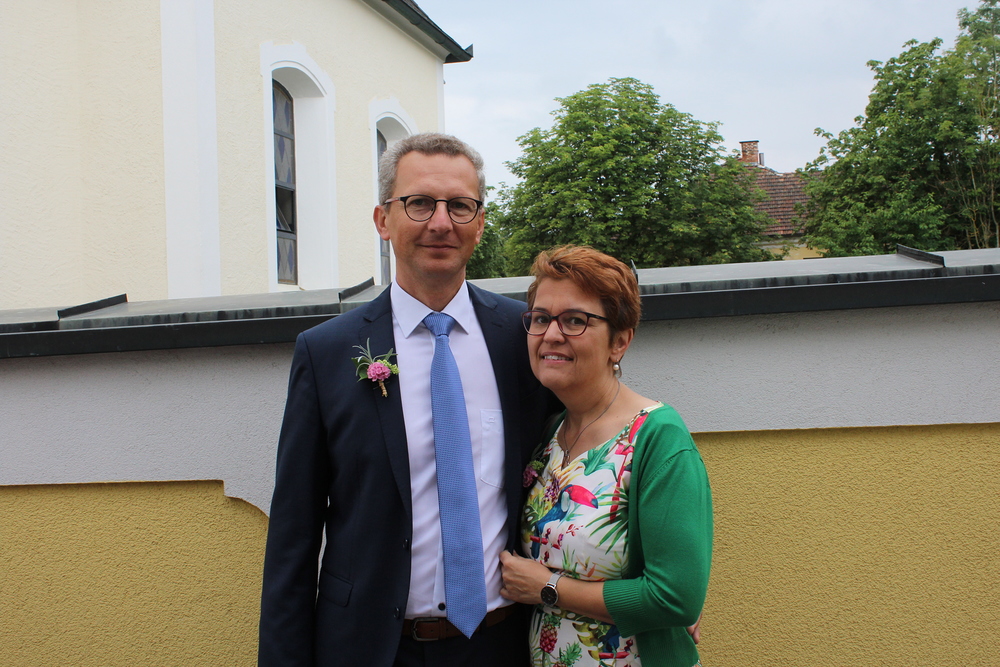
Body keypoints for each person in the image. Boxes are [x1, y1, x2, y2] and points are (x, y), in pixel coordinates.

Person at [258, 133, 559, 666]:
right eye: (419, 203)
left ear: (479, 224)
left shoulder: (526, 337)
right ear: (383, 220)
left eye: (460, 206)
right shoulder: (326, 353)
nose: (441, 222)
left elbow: (586, 459)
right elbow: (293, 536)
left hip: (501, 644)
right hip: (370, 648)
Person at [499, 245, 713, 667]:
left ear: (620, 342)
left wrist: (548, 588)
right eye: (540, 318)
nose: (551, 334)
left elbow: (675, 598)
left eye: (575, 320)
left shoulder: (657, 438)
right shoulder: (550, 434)